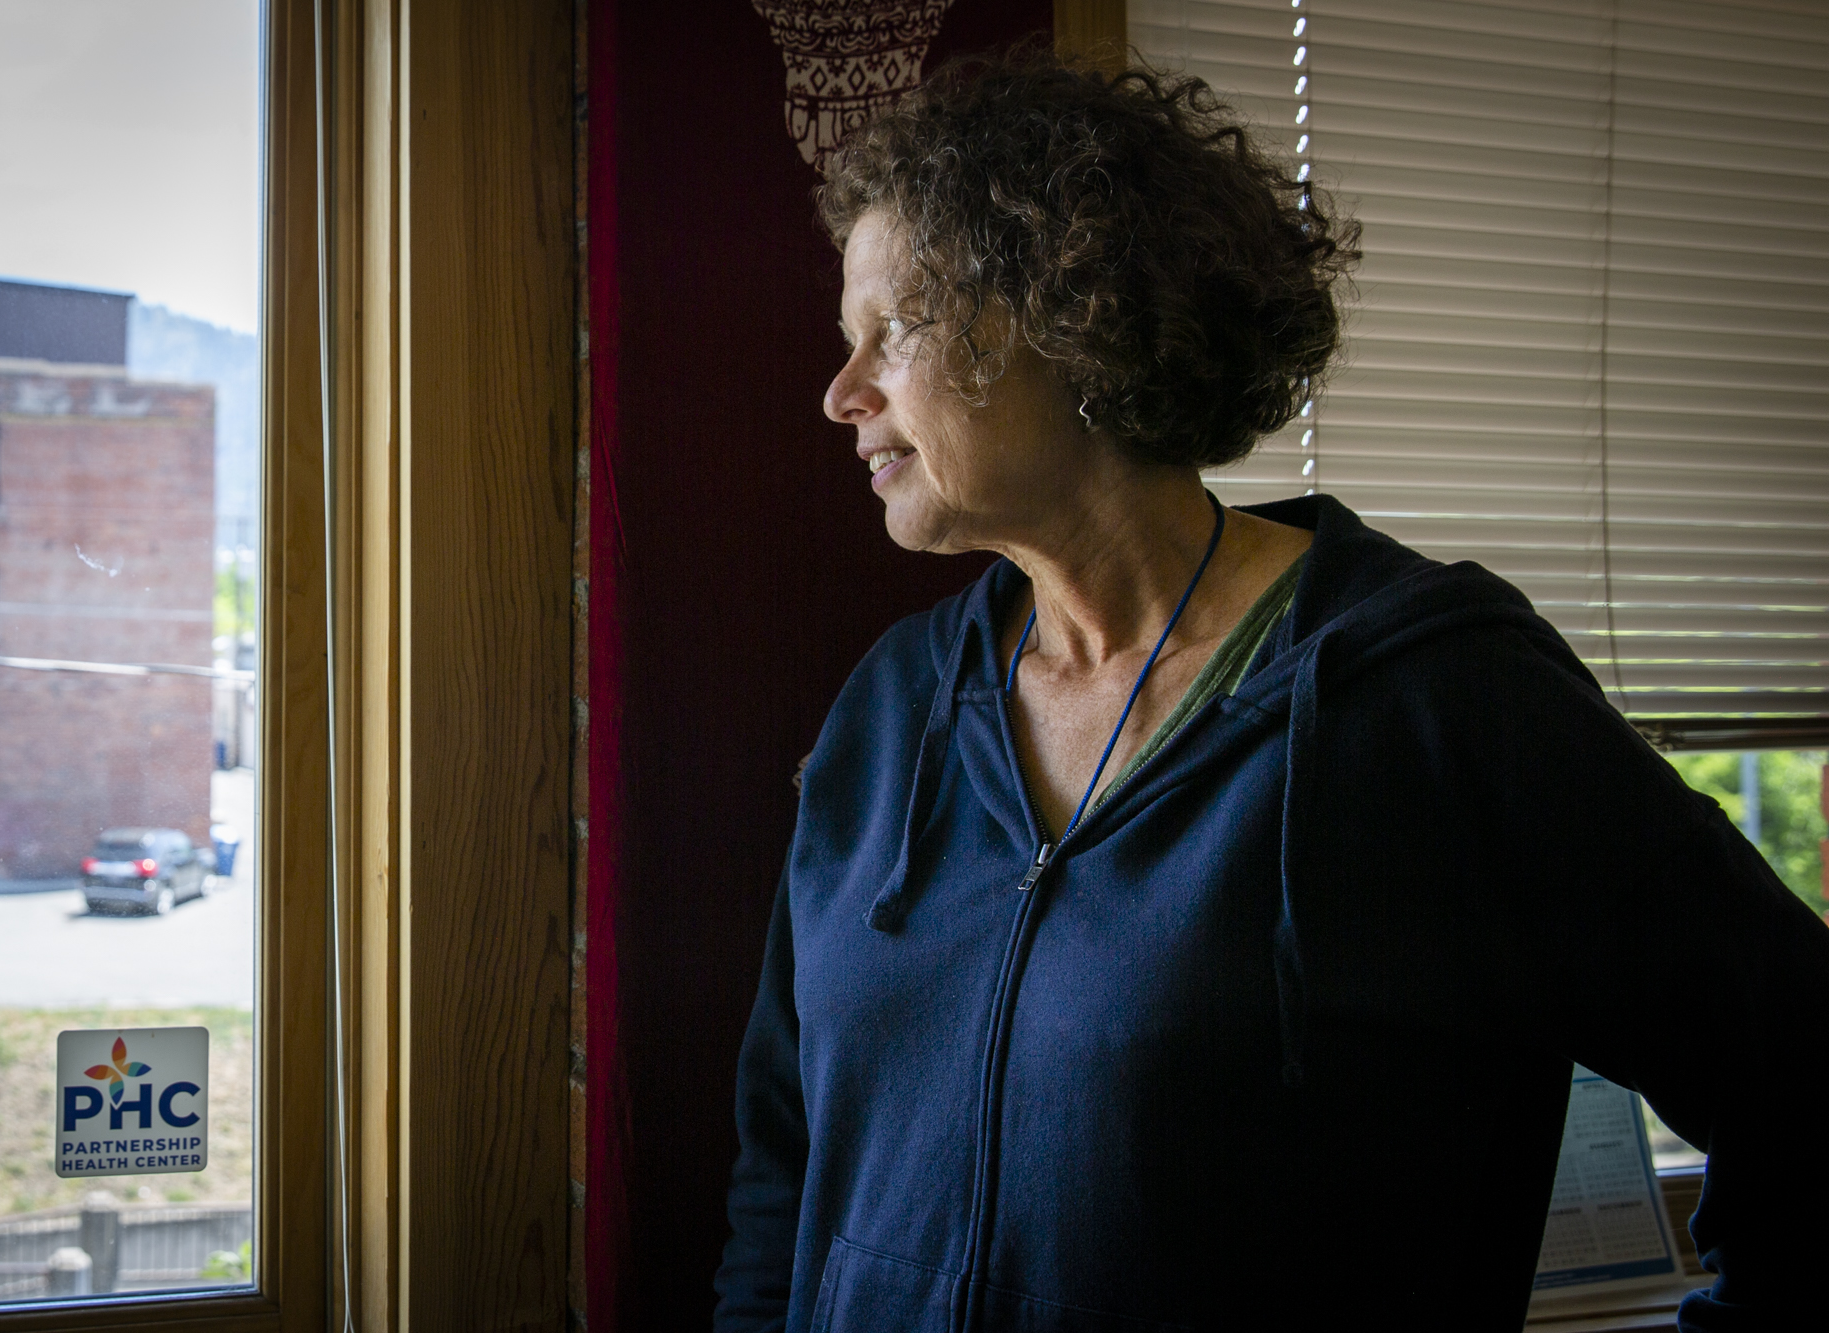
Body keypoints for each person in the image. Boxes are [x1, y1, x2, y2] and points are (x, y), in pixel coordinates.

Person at [714, 51, 1829, 1333]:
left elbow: (1800, 1081)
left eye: (893, 329)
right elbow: (781, 1168)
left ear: (1069, 316)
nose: (841, 394)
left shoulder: (1437, 696)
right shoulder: (891, 710)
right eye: (846, 342)